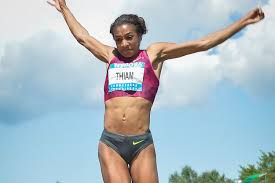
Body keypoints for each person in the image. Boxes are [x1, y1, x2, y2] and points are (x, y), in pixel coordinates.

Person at [47, 0, 265, 182]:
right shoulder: (110, 56)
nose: (124, 43)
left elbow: (203, 43)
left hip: (141, 143)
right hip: (111, 143)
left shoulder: (153, 55)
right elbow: (82, 37)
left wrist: (244, 21)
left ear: (140, 35)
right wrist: (64, 8)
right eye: (118, 39)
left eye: (129, 37)